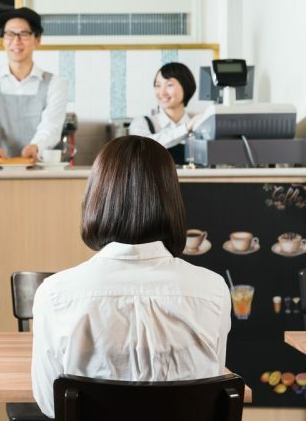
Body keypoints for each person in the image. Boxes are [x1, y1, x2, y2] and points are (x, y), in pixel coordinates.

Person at [31, 135, 231, 419]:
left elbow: (50, 404)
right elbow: (210, 382)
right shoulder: (213, 290)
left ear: (97, 198)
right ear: (171, 200)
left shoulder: (55, 293)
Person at [0, 7, 69, 168]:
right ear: (3, 40)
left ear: (37, 40)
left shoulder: (56, 84)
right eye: (9, 34)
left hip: (38, 171)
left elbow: (52, 126)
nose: (16, 41)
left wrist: (36, 146)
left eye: (24, 34)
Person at [129, 62, 204, 165]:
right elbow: (145, 147)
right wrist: (186, 128)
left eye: (169, 85)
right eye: (157, 85)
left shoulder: (200, 125)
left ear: (186, 86)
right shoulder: (141, 123)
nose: (162, 92)